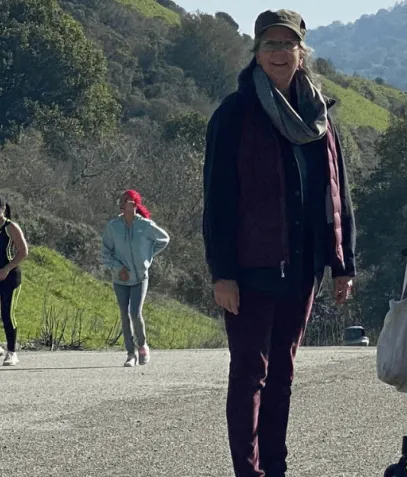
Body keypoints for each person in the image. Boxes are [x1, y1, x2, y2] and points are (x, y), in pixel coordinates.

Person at [202, 8, 357, 477]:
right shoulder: (235, 114)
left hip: (303, 266)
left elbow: (338, 192)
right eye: (270, 44)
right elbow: (218, 198)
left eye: (287, 45)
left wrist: (343, 262)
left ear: (301, 52)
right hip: (251, 268)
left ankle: (276, 467)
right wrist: (222, 272)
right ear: (256, 52)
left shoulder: (320, 117)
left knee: (283, 376)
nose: (279, 53)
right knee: (250, 374)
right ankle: (248, 471)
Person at [101, 189, 170, 367]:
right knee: (124, 315)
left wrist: (146, 258)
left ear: (135, 204)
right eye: (121, 200)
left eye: (127, 200)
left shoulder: (145, 225)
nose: (122, 203)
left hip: (140, 277)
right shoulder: (113, 226)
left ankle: (143, 347)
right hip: (120, 279)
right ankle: (130, 354)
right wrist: (117, 268)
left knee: (135, 313)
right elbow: (105, 252)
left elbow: (164, 239)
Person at [0, 195, 29, 367]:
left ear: (3, 209)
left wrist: (7, 268)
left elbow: (23, 251)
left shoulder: (10, 227)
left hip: (10, 276)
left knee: (7, 314)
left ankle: (12, 352)